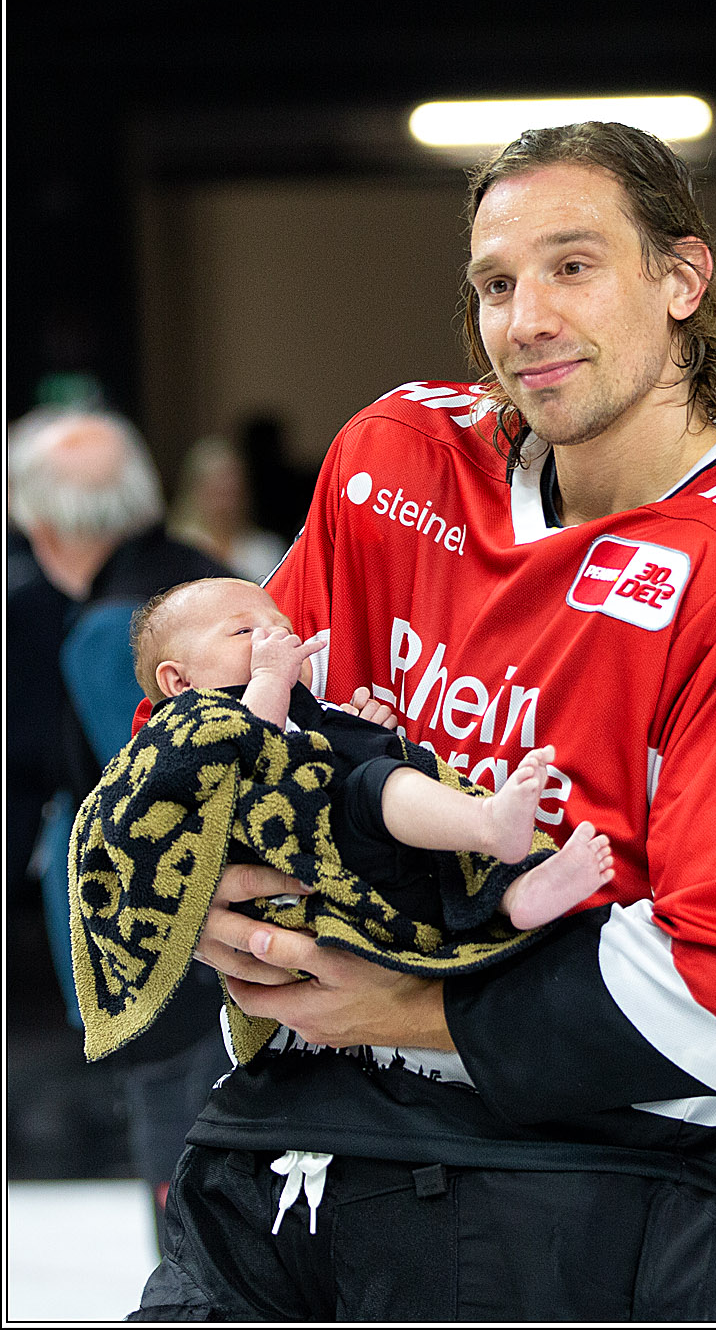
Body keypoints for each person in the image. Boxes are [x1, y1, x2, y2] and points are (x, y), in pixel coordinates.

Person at [131, 121, 716, 1322]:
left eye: (572, 266)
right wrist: (209, 904)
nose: (526, 318)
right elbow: (209, 733)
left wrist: (400, 1002)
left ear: (681, 279)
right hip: (280, 1134)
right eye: (496, 282)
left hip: (581, 1172)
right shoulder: (391, 460)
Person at [6, 407, 236, 1246]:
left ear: (39, 519)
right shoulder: (199, 580)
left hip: (174, 977)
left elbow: (151, 814)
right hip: (223, 972)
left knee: (189, 1218)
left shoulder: (116, 629)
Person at [130, 575, 612, 936]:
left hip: (377, 858)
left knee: (419, 786)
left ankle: (518, 892)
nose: (277, 640)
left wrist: (357, 728)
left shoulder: (292, 695)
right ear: (180, 681)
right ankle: (489, 826)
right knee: (375, 786)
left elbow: (314, 737)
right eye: (243, 633)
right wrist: (273, 680)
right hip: (304, 869)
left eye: (282, 627)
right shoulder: (188, 728)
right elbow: (255, 755)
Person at [168, 435, 288, 583]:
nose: (226, 497)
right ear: (193, 489)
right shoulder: (173, 551)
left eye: (232, 488)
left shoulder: (266, 549)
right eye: (216, 488)